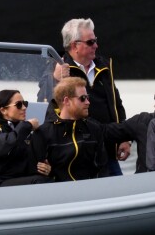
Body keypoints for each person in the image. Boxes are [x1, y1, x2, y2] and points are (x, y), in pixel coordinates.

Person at [37, 18, 130, 176]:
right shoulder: (57, 67)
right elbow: (44, 103)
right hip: (76, 152)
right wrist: (55, 79)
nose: (96, 45)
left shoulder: (104, 65)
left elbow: (116, 103)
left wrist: (124, 136)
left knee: (119, 194)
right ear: (75, 45)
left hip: (107, 149)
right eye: (91, 42)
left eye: (95, 40)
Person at [32, 77, 108, 181]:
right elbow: (36, 171)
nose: (88, 102)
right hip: (58, 192)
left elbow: (102, 168)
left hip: (91, 191)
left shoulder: (94, 128)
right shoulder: (43, 133)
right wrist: (51, 175)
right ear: (66, 101)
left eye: (87, 97)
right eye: (82, 98)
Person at [0, 90, 52, 188]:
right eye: (19, 105)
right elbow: (3, 146)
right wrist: (27, 125)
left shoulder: (25, 131)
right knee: (39, 182)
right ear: (3, 110)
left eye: (25, 103)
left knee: (47, 179)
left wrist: (46, 168)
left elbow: (25, 163)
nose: (24, 108)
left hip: (14, 181)